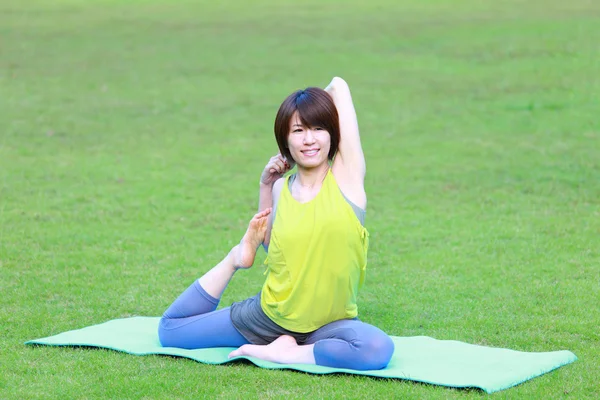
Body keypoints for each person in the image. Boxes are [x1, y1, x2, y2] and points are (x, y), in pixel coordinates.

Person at [158, 77, 395, 370]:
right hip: (268, 317)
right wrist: (265, 185)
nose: (309, 139)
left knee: (377, 348)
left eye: (318, 128)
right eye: (298, 130)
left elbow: (339, 85)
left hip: (330, 325)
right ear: (285, 141)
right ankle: (234, 258)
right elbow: (275, 249)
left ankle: (288, 352)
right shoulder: (280, 189)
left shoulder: (348, 179)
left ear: (332, 135)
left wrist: (309, 100)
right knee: (170, 331)